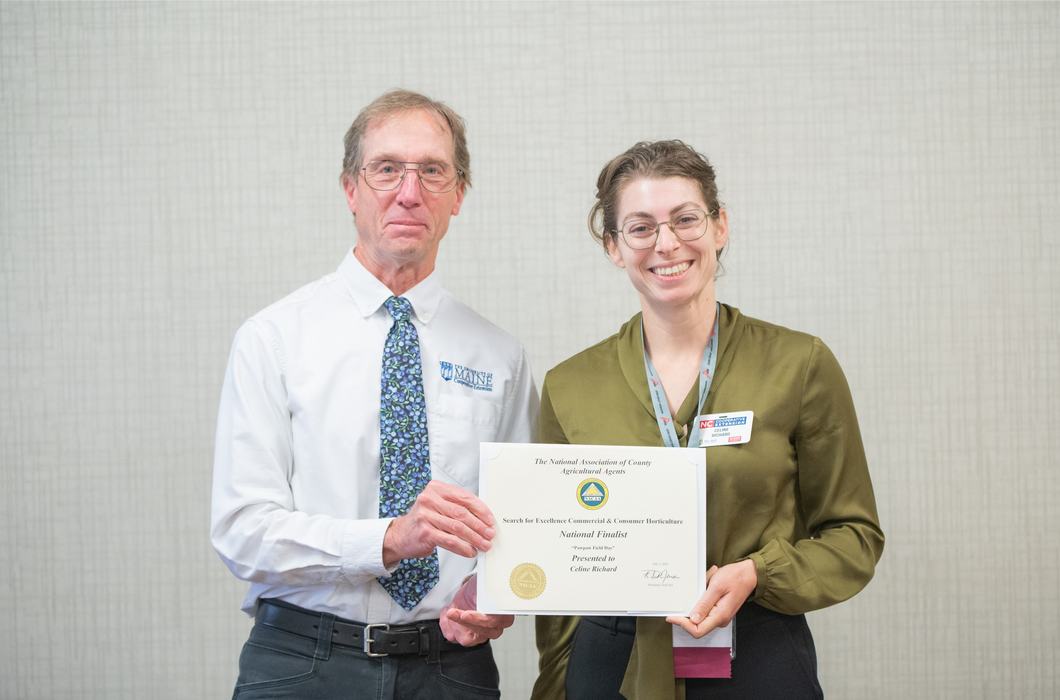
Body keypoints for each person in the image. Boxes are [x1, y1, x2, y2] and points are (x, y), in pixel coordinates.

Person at [211, 89, 538, 699]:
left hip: (450, 670)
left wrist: (494, 594)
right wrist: (388, 540)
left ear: (458, 195)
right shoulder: (274, 339)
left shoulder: (500, 356)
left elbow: (517, 520)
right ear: (350, 189)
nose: (409, 192)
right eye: (386, 168)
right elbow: (242, 530)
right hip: (303, 664)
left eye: (433, 171)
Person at [532, 140, 884, 699]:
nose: (666, 243)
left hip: (757, 654)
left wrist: (760, 573)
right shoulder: (569, 386)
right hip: (612, 665)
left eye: (686, 219)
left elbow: (854, 537)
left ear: (720, 226)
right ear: (613, 247)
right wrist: (555, 686)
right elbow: (555, 569)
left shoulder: (799, 364)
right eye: (641, 227)